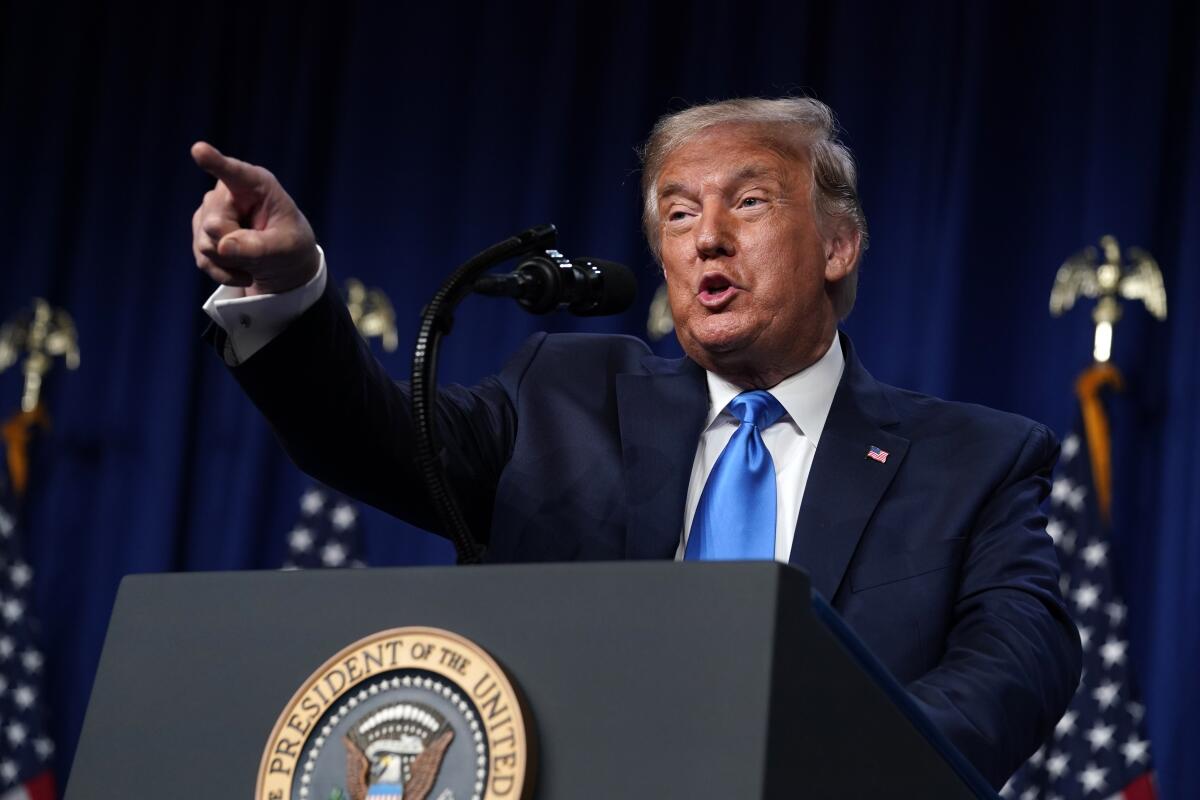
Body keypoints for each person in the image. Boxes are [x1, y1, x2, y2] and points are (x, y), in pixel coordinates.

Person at [191, 97, 1081, 789]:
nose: (708, 240)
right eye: (679, 215)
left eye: (749, 201)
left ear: (838, 246)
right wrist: (290, 291)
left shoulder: (974, 459)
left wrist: (840, 767)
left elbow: (1018, 661)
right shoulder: (562, 397)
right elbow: (375, 440)